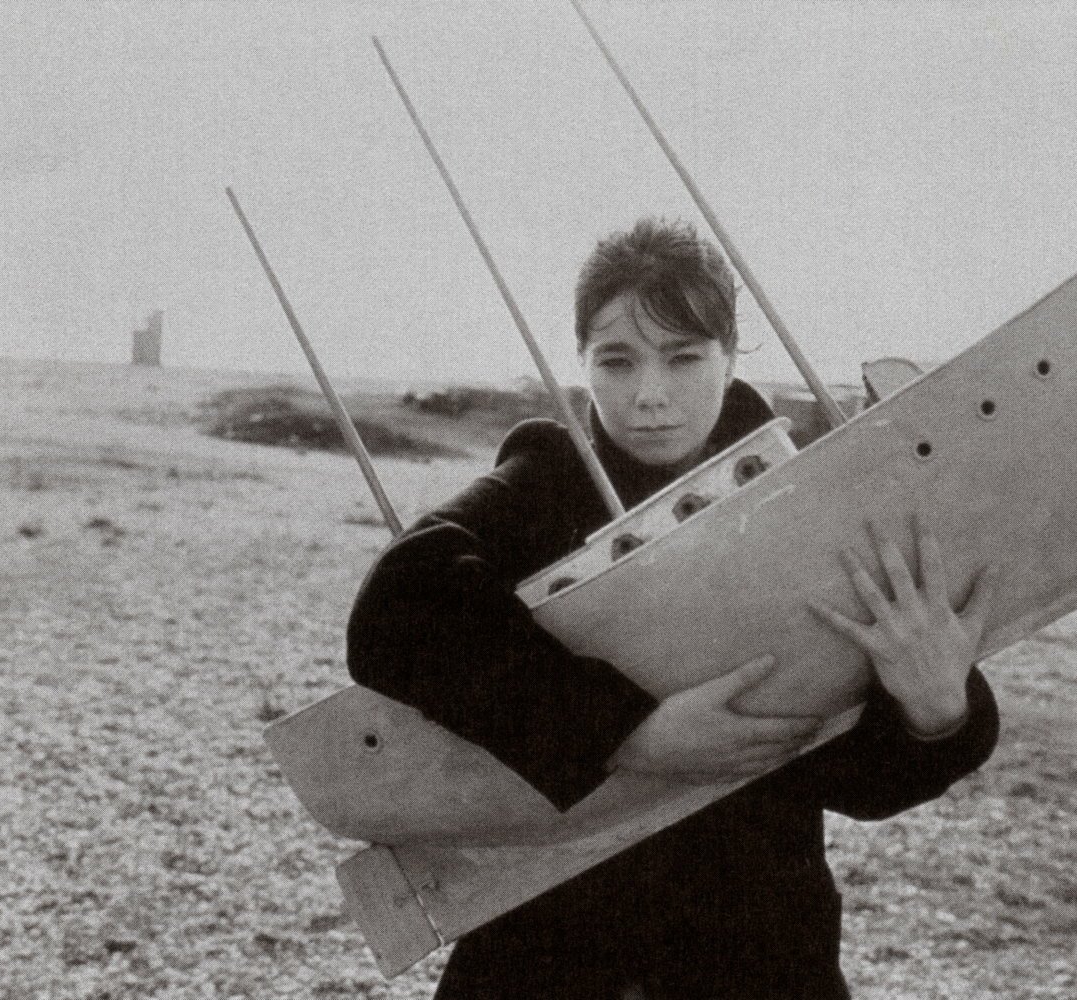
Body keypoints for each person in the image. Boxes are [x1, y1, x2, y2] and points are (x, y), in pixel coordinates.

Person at [347, 218, 1000, 999]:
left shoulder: (812, 496)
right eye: (616, 361)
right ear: (583, 363)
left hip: (756, 952)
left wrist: (935, 713)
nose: (648, 395)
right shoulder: (548, 478)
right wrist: (627, 731)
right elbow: (396, 608)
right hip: (551, 957)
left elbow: (859, 786)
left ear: (731, 356)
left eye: (684, 357)